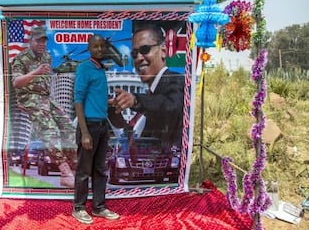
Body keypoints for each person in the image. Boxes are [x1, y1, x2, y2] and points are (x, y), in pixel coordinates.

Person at [10, 26, 77, 188]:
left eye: (44, 41)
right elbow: (16, 82)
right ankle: (64, 171)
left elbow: (47, 82)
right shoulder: (21, 58)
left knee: (68, 126)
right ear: (30, 41)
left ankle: (74, 167)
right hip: (30, 98)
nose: (41, 44)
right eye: (38, 41)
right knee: (50, 130)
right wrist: (36, 72)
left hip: (46, 98)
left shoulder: (46, 56)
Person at [110, 24, 185, 151]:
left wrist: (136, 100)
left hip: (167, 165)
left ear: (163, 51)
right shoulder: (151, 94)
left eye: (145, 49)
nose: (138, 58)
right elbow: (138, 135)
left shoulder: (176, 81)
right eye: (134, 54)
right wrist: (114, 116)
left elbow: (170, 107)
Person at [72, 34, 120, 225]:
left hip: (102, 126)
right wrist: (84, 132)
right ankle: (79, 208)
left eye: (102, 46)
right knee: (84, 171)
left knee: (100, 170)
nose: (100, 49)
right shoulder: (85, 67)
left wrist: (110, 102)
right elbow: (78, 100)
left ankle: (99, 207)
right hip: (89, 127)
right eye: (95, 46)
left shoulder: (100, 69)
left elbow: (94, 99)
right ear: (89, 48)